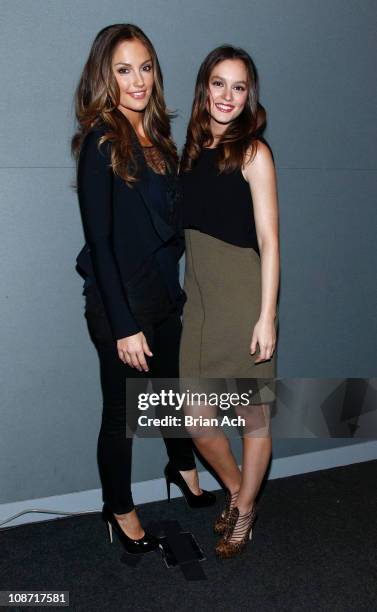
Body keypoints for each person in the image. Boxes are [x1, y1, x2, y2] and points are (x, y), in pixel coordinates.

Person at [72, 24, 215, 556]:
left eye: (146, 67)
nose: (138, 81)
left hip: (161, 295)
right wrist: (125, 324)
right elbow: (101, 242)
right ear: (104, 77)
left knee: (171, 396)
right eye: (124, 69)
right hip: (120, 304)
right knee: (122, 416)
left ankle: (181, 469)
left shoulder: (159, 138)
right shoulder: (102, 141)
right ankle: (119, 507)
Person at [179, 45, 279, 558]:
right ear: (205, 88)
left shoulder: (254, 153)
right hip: (198, 304)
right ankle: (243, 496)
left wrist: (267, 315)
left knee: (251, 416)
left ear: (248, 96)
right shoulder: (191, 151)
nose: (227, 96)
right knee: (196, 418)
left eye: (239, 87)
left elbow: (270, 240)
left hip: (243, 299)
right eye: (219, 83)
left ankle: (241, 509)